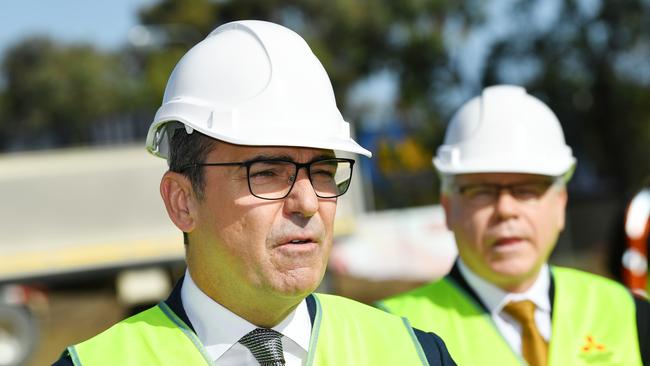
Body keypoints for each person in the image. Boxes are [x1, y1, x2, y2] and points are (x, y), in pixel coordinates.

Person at [53, 20, 455, 365]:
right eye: (266, 174)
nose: (308, 202)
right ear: (182, 201)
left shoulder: (415, 353)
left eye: (323, 171)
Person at [377, 85, 649, 366]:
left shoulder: (628, 313)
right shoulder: (390, 332)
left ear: (560, 204)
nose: (506, 210)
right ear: (448, 207)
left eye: (527, 189)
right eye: (481, 191)